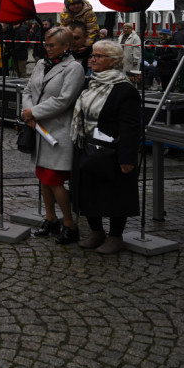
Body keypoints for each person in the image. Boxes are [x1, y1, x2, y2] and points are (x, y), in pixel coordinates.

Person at [72, 40, 142, 255]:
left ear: (113, 61)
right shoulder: (91, 83)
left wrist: (127, 159)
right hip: (87, 146)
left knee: (114, 195)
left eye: (98, 56)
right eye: (92, 55)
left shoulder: (125, 90)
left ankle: (115, 236)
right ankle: (96, 232)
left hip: (111, 152)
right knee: (88, 192)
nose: (92, 59)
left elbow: (130, 127)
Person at [21, 26, 86, 245]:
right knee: (43, 178)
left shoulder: (74, 68)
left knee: (54, 179)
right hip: (38, 129)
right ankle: (51, 219)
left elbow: (64, 100)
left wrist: (34, 112)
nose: (47, 49)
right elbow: (28, 90)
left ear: (66, 46)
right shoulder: (41, 63)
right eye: (46, 44)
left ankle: (70, 224)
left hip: (58, 131)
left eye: (52, 45)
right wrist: (28, 112)